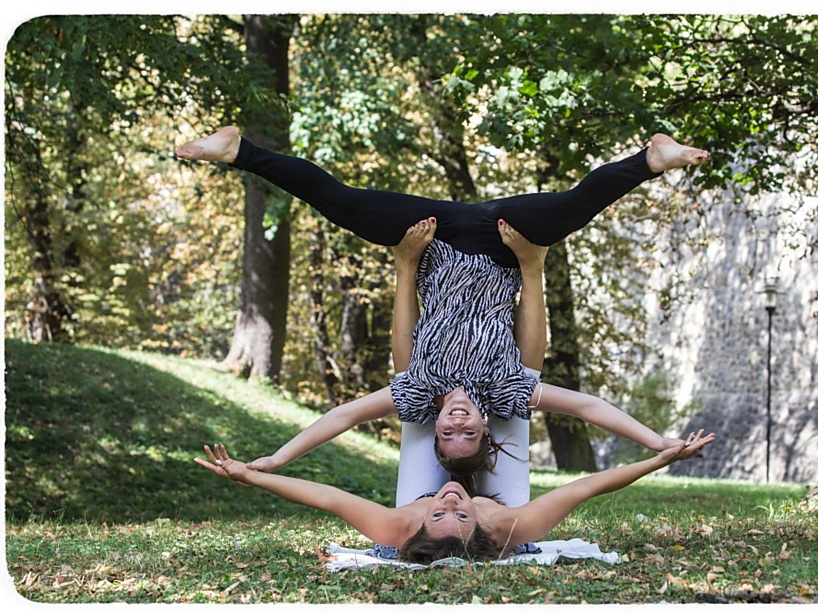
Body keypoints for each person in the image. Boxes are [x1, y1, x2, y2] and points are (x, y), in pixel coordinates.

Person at [176, 127, 709, 487]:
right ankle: (651, 158)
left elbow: (338, 418)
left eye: (447, 435)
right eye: (469, 433)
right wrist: (658, 441)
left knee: (342, 203)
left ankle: (238, 150)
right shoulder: (509, 390)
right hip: (507, 242)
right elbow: (591, 408)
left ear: (435, 430)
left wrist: (272, 461)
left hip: (434, 240)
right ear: (483, 426)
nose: (456, 424)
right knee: (570, 209)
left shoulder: (416, 390)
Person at [194, 429, 716, 563]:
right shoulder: (507, 525)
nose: (448, 498)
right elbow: (586, 487)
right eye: (459, 511)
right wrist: (660, 459)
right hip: (501, 506)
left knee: (436, 428)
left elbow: (327, 497)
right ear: (478, 523)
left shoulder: (395, 526)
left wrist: (251, 476)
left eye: (439, 510)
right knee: (491, 434)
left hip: (411, 508)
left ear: (421, 523)